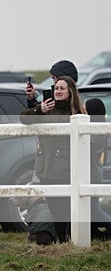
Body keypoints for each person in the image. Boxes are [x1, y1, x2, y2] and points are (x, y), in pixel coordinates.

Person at [20, 75, 85, 242]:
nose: (58, 91)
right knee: (55, 208)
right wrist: (38, 107)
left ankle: (68, 240)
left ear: (70, 92)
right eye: (56, 88)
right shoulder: (47, 108)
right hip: (46, 168)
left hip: (65, 168)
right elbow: (24, 118)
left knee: (66, 208)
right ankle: (62, 240)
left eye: (62, 88)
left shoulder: (76, 112)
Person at [84, 97, 111, 238]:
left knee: (94, 210)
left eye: (85, 109)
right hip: (92, 173)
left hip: (93, 174)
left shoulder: (98, 131)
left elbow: (87, 144)